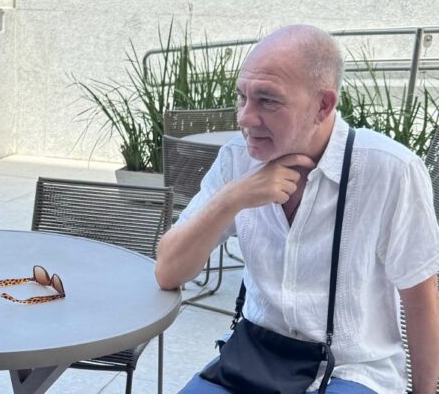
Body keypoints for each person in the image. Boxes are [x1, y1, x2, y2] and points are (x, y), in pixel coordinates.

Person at [156, 25, 439, 393]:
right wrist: (232, 199)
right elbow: (168, 272)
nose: (244, 117)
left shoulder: (389, 169)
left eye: (267, 100)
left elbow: (420, 297)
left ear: (323, 105)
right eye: (242, 97)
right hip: (255, 358)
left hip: (351, 370)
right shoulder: (236, 161)